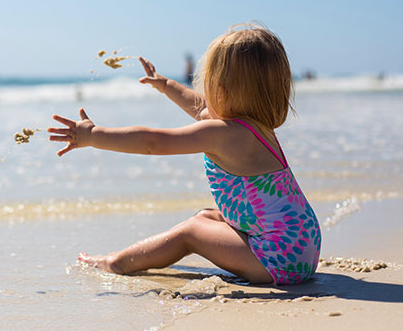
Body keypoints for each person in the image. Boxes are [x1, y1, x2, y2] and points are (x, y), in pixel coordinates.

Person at [48, 24, 321, 285]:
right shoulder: (255, 128)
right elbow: (201, 108)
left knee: (191, 232)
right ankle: (131, 258)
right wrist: (166, 85)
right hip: (301, 247)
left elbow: (153, 142)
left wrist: (93, 136)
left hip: (278, 260)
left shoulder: (225, 134)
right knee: (207, 217)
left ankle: (117, 262)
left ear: (221, 91)